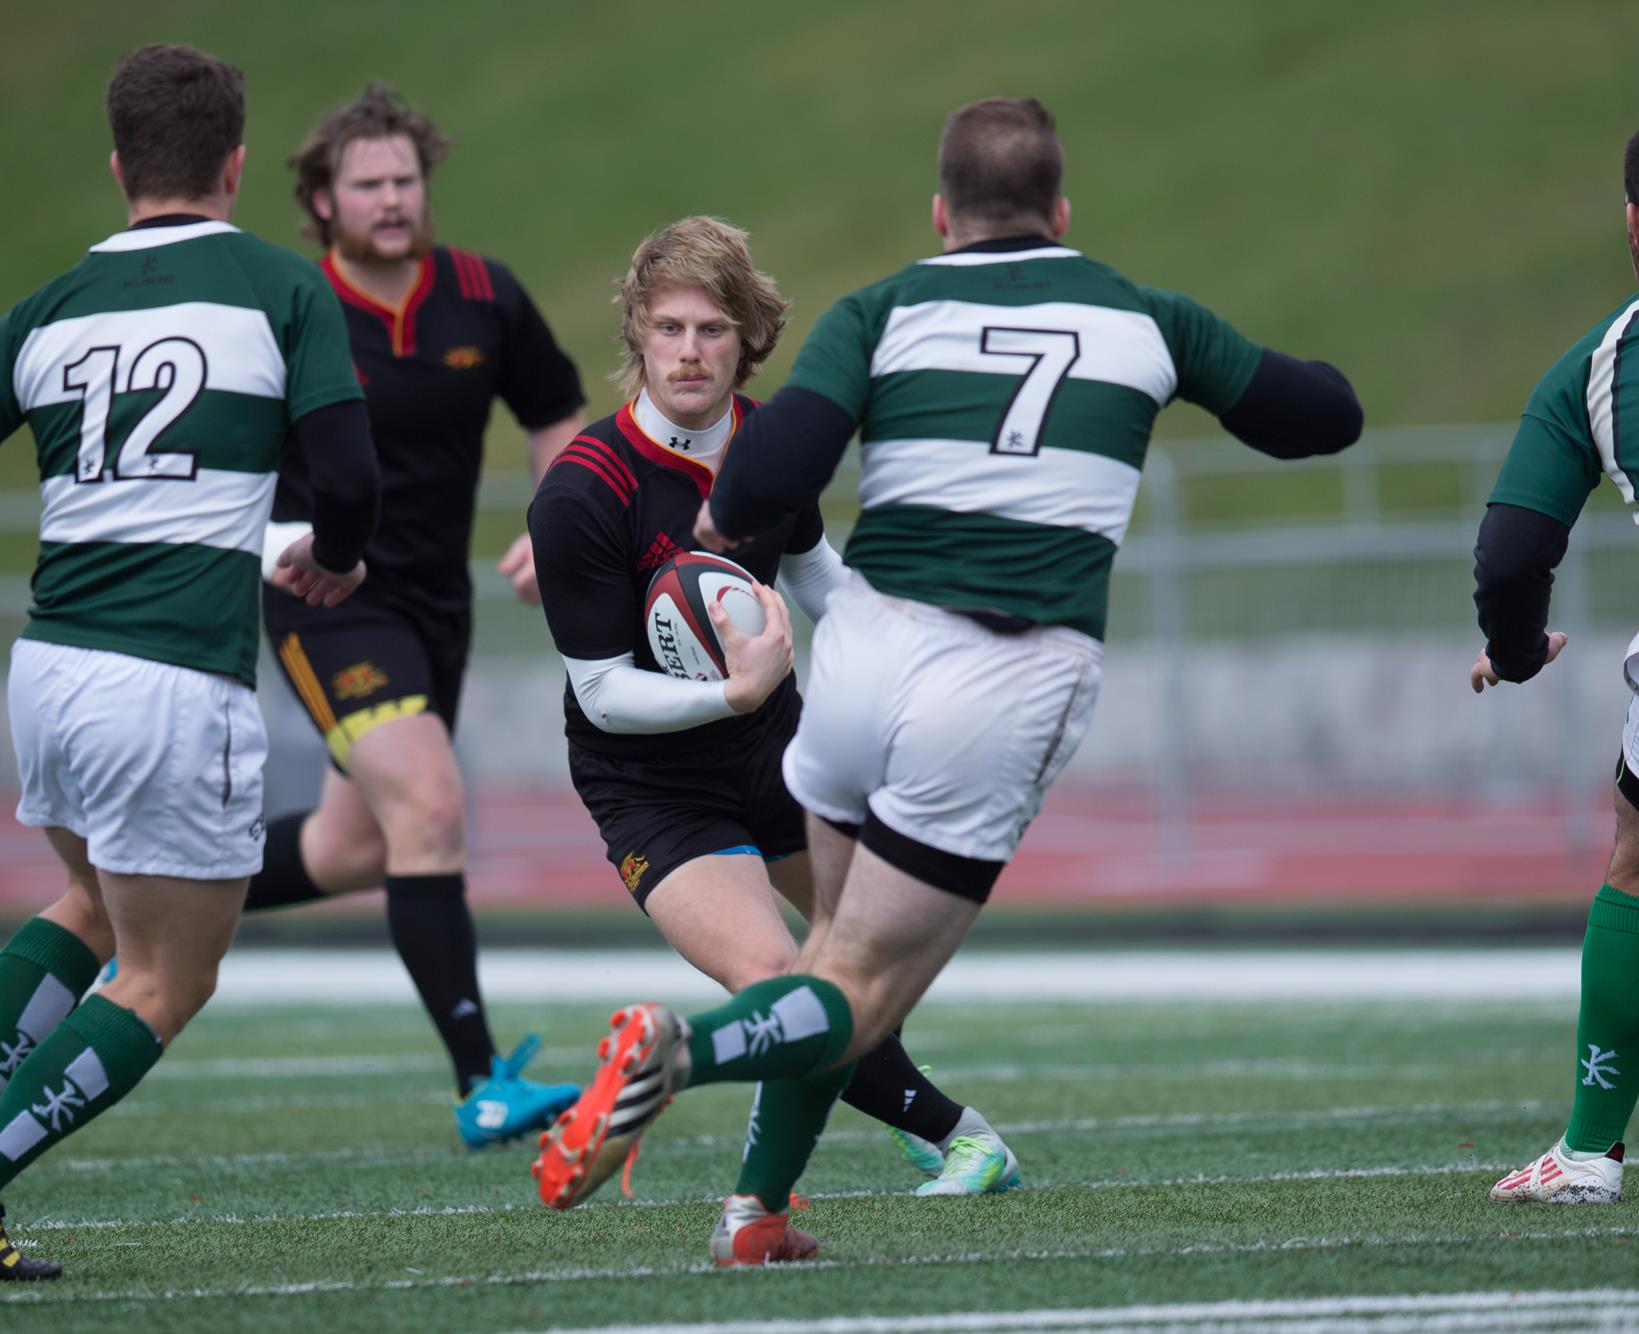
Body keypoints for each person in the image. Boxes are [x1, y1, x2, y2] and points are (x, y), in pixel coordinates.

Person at [533, 97, 1362, 1263]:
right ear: (1062, 213)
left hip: (863, 661)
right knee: (853, 986)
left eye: (708, 331)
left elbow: (774, 471)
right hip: (995, 673)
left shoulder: (884, 308)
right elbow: (1321, 418)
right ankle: (686, 1052)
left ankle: (753, 1217)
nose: (688, 351)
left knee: (833, 967)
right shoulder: (1140, 315)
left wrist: (724, 518)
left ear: (938, 214)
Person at [0, 44, 379, 1281]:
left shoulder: (54, 303)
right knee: (167, 975)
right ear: (233, 164)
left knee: (92, 907)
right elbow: (351, 473)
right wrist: (338, 554)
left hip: (48, 671)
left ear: (119, 167)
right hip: (168, 680)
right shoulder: (281, 289)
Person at [527, 217, 1015, 1208]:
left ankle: (830, 1171)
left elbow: (815, 573)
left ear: (748, 336)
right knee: (777, 970)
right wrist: (731, 688)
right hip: (648, 780)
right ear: (636, 334)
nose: (689, 350)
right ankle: (957, 1136)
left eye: (712, 327)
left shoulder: (769, 443)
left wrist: (919, 652)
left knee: (862, 956)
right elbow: (600, 692)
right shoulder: (581, 490)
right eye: (666, 327)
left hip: (779, 746)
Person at [245, 84, 587, 1146]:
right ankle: (481, 1080)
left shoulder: (483, 294)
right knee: (432, 802)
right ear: (319, 197)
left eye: (405, 179)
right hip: (324, 599)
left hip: (438, 605)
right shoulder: (292, 308)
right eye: (367, 184)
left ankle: (137, 902)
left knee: (358, 846)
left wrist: (555, 514)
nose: (392, 200)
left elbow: (555, 412)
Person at [1472, 109, 1639, 1206]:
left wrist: (1509, 654)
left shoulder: (1603, 358)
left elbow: (1510, 554)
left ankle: (1589, 1151)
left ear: (1634, 222)